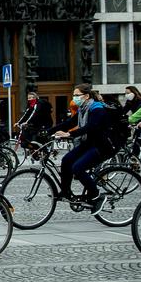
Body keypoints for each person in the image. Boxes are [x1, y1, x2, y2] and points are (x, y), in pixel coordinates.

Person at [47, 84, 112, 213]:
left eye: (77, 95)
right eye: (74, 95)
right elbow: (69, 124)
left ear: (86, 96)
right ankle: (66, 192)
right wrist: (47, 132)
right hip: (88, 143)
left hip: (101, 146)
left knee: (77, 168)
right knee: (66, 160)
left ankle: (96, 195)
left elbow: (91, 127)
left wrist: (70, 134)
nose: (74, 98)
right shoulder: (82, 109)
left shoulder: (97, 109)